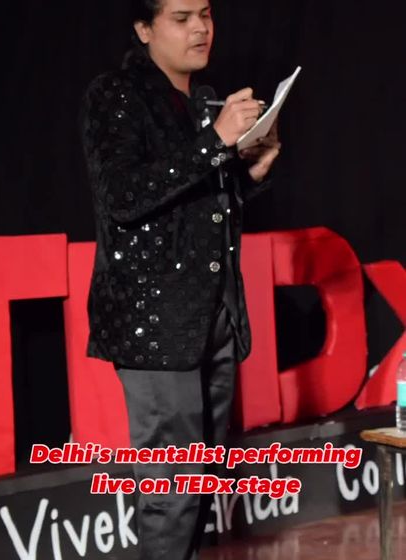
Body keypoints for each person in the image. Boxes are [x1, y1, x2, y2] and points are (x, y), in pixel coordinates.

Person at [81, 0, 280, 558]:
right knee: (171, 495)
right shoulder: (116, 94)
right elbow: (123, 197)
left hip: (213, 317)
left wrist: (249, 173)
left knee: (202, 486)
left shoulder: (201, 100)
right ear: (144, 29)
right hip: (156, 323)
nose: (200, 28)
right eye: (182, 17)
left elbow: (196, 208)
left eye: (206, 15)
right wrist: (216, 141)